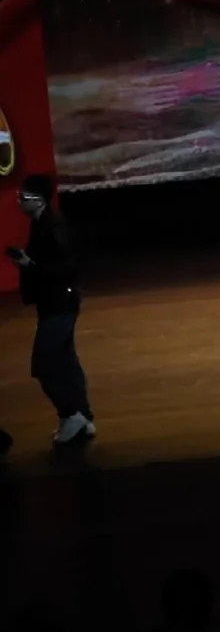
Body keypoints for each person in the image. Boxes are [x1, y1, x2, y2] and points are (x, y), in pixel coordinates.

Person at [8, 174, 95, 444]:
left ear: (39, 201)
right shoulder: (42, 223)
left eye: (24, 198)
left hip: (59, 304)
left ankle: (71, 414)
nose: (19, 202)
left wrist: (30, 266)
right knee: (66, 362)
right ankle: (83, 418)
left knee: (44, 365)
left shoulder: (52, 226)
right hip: (55, 302)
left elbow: (67, 268)